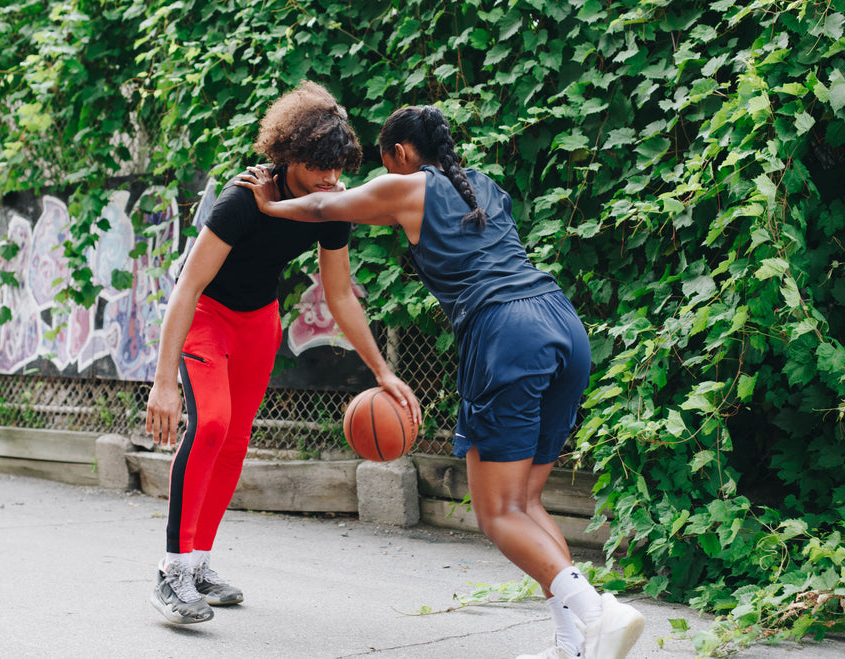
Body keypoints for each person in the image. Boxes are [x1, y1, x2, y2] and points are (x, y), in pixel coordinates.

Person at [237, 105, 644, 658]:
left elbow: (323, 205)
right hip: (561, 323)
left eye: (383, 163)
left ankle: (598, 611)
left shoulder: (409, 187)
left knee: (497, 513)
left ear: (400, 154)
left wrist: (269, 203)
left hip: (508, 334)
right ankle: (576, 642)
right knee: (524, 501)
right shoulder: (484, 185)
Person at [145, 82, 421, 625]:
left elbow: (340, 294)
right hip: (206, 316)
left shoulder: (330, 206)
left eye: (338, 169)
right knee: (212, 424)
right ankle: (171, 571)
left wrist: (383, 372)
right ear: (290, 154)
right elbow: (187, 286)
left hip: (257, 324)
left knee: (235, 442)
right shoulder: (244, 198)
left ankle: (199, 564)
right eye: (320, 168)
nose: (331, 180)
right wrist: (163, 380)